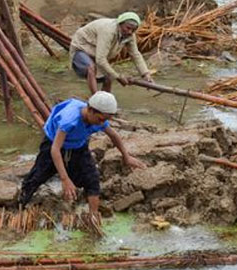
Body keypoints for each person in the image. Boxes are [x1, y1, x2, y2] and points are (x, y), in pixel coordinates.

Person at [17, 91, 146, 230]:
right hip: (53, 143)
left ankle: (93, 218)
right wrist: (65, 179)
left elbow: (113, 135)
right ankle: (20, 205)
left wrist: (126, 156)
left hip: (78, 145)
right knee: (37, 177)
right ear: (90, 110)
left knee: (92, 178)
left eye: (105, 120)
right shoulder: (69, 120)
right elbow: (55, 149)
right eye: (100, 119)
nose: (102, 123)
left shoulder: (99, 119)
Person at [70, 11, 153, 95]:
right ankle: (95, 99)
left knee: (108, 77)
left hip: (97, 52)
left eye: (133, 30)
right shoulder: (108, 31)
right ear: (120, 24)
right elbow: (100, 59)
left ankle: (105, 101)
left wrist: (145, 74)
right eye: (127, 28)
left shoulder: (130, 36)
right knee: (91, 68)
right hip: (82, 47)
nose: (129, 32)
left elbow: (135, 54)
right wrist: (117, 76)